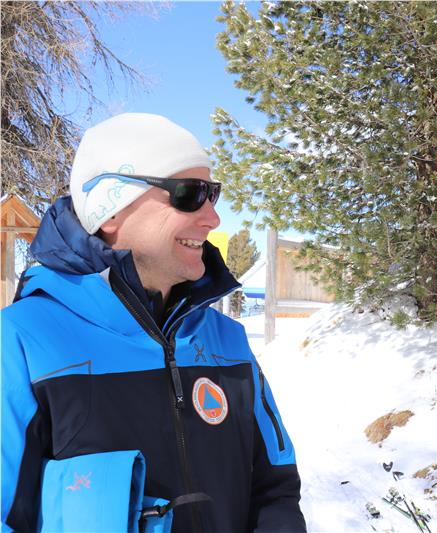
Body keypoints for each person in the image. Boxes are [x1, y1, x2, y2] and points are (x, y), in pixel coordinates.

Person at [1, 113, 306, 532]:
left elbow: (275, 488)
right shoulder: (21, 341)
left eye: (212, 194)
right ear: (110, 211)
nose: (213, 217)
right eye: (189, 194)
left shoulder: (228, 339)